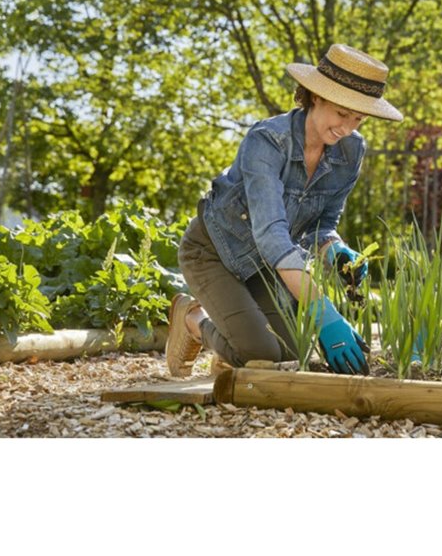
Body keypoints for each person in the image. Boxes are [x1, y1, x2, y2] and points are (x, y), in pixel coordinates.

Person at [166, 43, 403, 378]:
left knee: (292, 352)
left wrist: (335, 250)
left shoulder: (351, 151)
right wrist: (324, 312)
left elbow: (323, 223)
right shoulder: (267, 140)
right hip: (213, 251)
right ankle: (192, 320)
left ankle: (231, 342)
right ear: (316, 96)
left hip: (263, 266)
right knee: (260, 354)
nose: (347, 128)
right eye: (341, 113)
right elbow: (272, 236)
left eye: (358, 118)